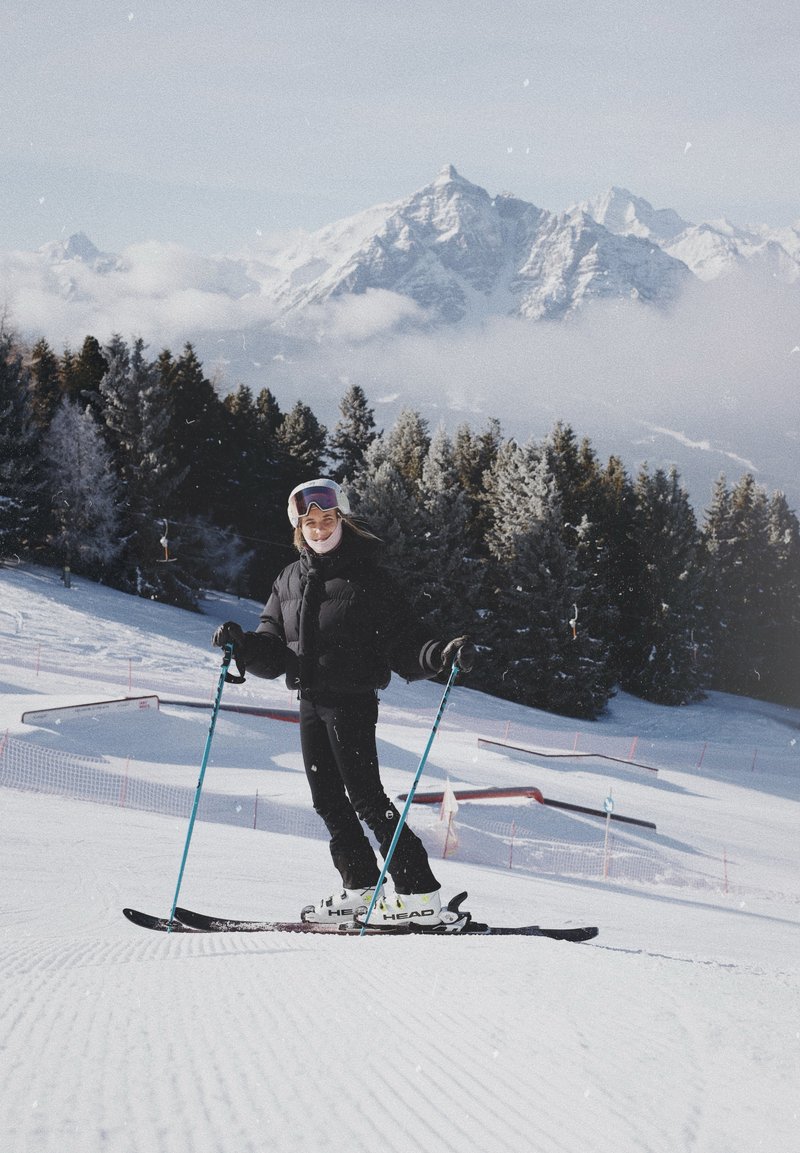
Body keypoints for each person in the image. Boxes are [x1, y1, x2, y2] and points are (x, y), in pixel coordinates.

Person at [212, 477, 476, 930]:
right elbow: (273, 648)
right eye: (309, 521)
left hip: (351, 700)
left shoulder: (369, 579)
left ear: (342, 518)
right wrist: (244, 647)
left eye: (327, 518)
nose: (319, 528)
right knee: (328, 800)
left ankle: (418, 892)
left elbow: (405, 639)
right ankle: (361, 887)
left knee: (367, 799)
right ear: (299, 527)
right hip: (310, 700)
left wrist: (439, 654)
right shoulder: (288, 579)